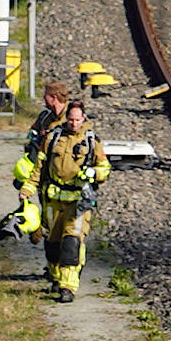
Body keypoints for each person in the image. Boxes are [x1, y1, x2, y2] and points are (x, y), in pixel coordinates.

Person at [23, 98, 110, 302]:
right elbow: (40, 166)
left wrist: (93, 173)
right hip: (53, 200)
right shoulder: (53, 137)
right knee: (53, 243)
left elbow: (105, 168)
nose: (73, 123)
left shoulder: (92, 141)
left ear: (83, 118)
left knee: (72, 243)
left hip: (78, 203)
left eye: (77, 120)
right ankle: (55, 277)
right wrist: (28, 187)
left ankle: (68, 287)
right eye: (71, 119)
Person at [0, 81, 68, 247]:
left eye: (45, 95)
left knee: (61, 223)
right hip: (42, 173)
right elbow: (32, 140)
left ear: (53, 97)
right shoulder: (44, 117)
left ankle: (51, 240)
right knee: (43, 212)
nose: (43, 98)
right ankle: (40, 230)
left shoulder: (71, 119)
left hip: (62, 176)